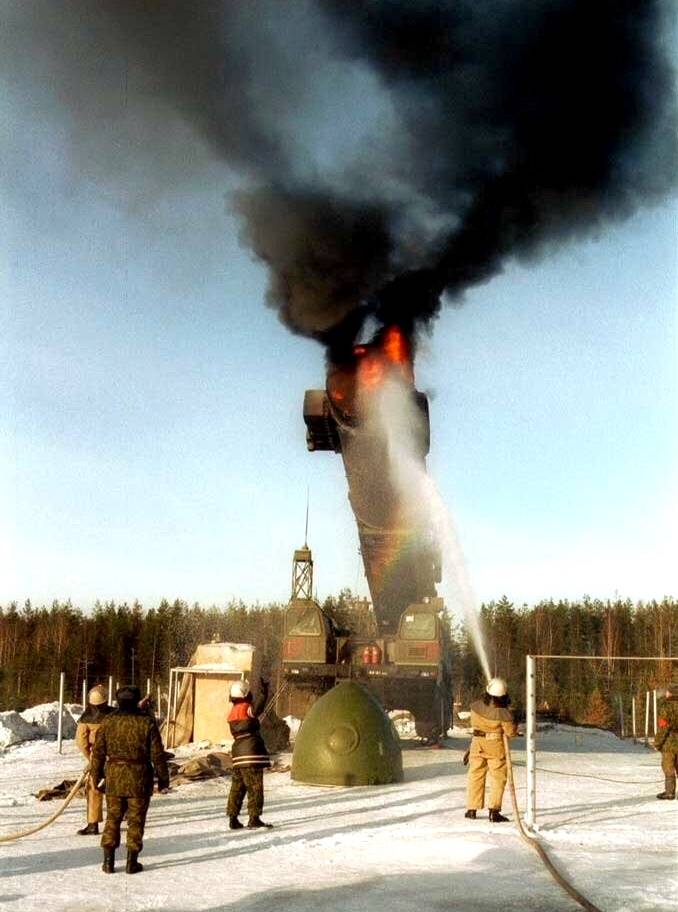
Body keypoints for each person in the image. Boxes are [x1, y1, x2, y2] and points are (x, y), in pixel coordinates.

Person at [91, 685, 170, 874]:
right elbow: (157, 754)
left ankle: (108, 862)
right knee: (136, 820)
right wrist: (163, 778)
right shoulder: (147, 722)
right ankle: (131, 862)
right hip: (140, 777)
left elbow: (98, 753)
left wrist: (96, 776)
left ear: (118, 700)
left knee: (113, 818)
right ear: (137, 700)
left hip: (114, 776)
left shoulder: (108, 721)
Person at [464, 677, 518, 822]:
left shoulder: (475, 707)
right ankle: (494, 811)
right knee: (498, 778)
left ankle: (471, 809)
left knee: (475, 775)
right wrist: (515, 720)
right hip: (495, 746)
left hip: (477, 744)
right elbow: (510, 732)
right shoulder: (503, 714)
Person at [226, 678, 272, 830]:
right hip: (251, 753)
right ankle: (254, 818)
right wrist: (263, 693)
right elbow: (257, 708)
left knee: (237, 788)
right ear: (245, 694)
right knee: (255, 788)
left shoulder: (232, 712)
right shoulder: (246, 707)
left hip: (238, 754)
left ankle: (233, 818)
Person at [75, 684, 114, 835]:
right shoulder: (114, 715)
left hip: (96, 758)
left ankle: (93, 824)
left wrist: (90, 758)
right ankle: (118, 816)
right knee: (116, 788)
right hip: (115, 757)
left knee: (93, 789)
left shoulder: (85, 720)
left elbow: (81, 742)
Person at [655, 682, 678, 800]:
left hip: (669, 744)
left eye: (668, 691)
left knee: (668, 767)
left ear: (670, 693)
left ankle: (670, 792)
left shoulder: (666, 706)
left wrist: (657, 743)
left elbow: (664, 727)